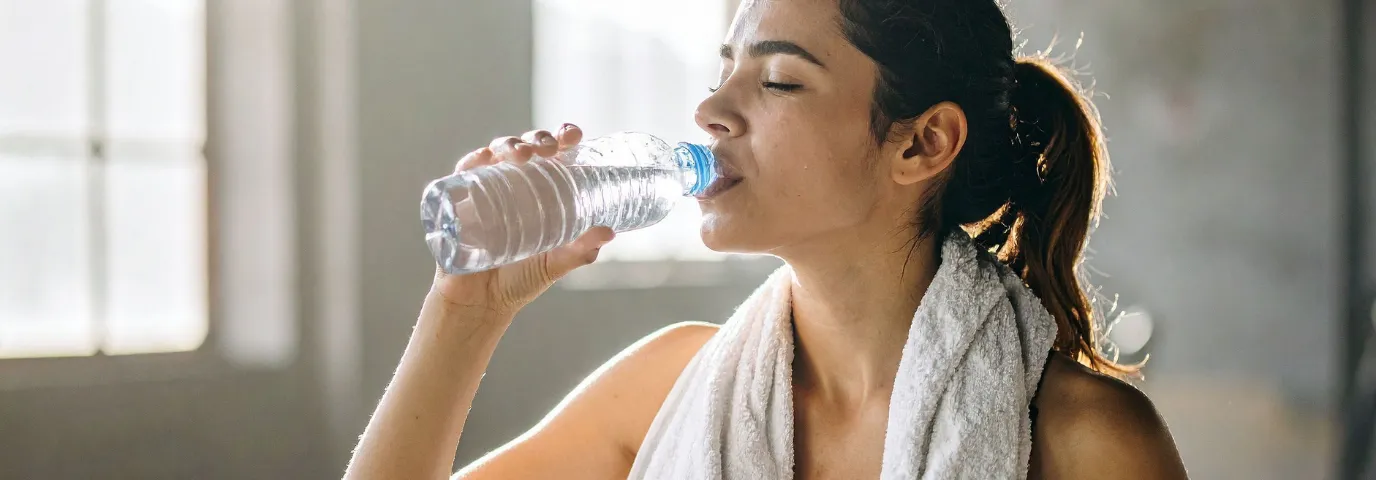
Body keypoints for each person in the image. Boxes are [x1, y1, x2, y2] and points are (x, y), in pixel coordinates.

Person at [345, 0, 1190, 478]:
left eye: (779, 79)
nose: (711, 110)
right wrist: (465, 311)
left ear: (922, 143)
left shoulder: (1088, 443)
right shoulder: (663, 390)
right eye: (726, 70)